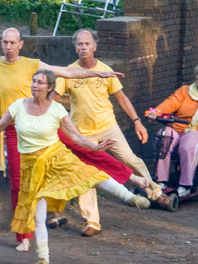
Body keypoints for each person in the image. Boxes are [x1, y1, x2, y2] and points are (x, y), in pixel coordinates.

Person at [0, 28, 124, 251]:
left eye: (13, 42)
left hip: (43, 123)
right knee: (19, 182)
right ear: (1, 44)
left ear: (21, 44)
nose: (8, 46)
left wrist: (98, 74)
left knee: (81, 150)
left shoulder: (32, 64)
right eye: (5, 42)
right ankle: (24, 236)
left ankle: (130, 181)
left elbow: (65, 72)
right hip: (15, 128)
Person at [0, 70, 151, 264]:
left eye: (40, 82)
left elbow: (75, 136)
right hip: (31, 167)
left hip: (57, 158)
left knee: (91, 174)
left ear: (50, 88)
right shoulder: (18, 106)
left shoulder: (56, 109)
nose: (35, 85)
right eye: (33, 81)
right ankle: (43, 259)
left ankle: (129, 197)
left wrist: (95, 147)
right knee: (38, 216)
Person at [57, 29, 162, 237]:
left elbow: (121, 98)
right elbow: (54, 97)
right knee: (88, 175)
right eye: (79, 44)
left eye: (87, 44)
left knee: (130, 159)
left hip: (108, 128)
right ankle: (92, 222)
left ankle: (154, 192)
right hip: (82, 134)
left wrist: (137, 122)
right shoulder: (68, 72)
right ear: (75, 47)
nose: (83, 47)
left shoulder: (106, 70)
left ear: (95, 46)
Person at [145, 61, 198, 198]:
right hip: (178, 127)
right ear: (196, 80)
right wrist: (157, 111)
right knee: (163, 137)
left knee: (188, 146)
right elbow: (171, 103)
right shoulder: (185, 91)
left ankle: (185, 185)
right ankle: (161, 181)